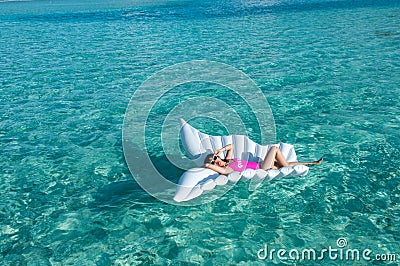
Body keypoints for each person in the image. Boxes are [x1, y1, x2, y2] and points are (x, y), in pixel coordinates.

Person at [204, 143, 323, 175]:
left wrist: (220, 150)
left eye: (216, 158)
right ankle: (290, 170)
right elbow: (207, 166)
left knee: (285, 163)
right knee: (274, 149)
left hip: (262, 164)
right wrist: (209, 163)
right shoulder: (226, 169)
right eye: (214, 161)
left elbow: (231, 146)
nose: (216, 161)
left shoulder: (227, 160)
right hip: (262, 168)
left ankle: (312, 163)